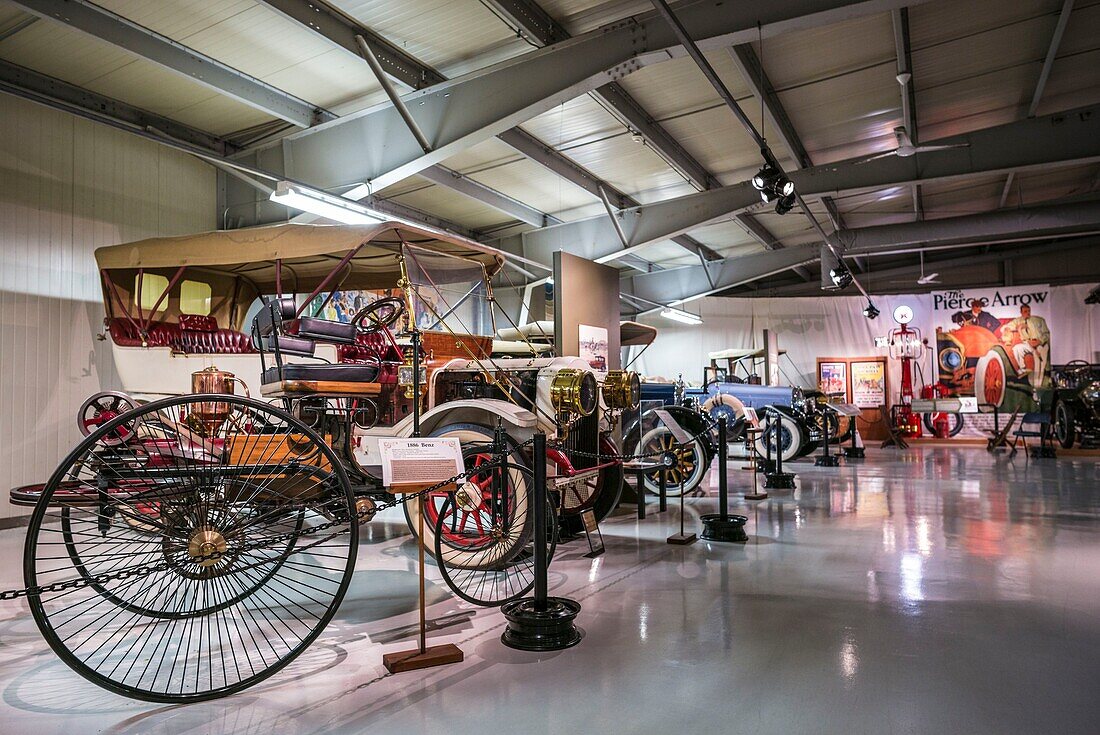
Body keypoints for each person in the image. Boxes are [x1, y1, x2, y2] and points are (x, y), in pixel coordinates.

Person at [1001, 304, 1050, 389]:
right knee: (1016, 348)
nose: (1028, 313)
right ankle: (1023, 368)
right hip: (1028, 343)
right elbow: (1007, 327)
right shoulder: (1018, 321)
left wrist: (1039, 341)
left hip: (1041, 344)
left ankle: (1038, 386)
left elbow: (1047, 334)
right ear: (1021, 312)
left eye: (1029, 311)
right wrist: (1007, 329)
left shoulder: (1039, 320)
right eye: (1025, 311)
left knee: (1038, 362)